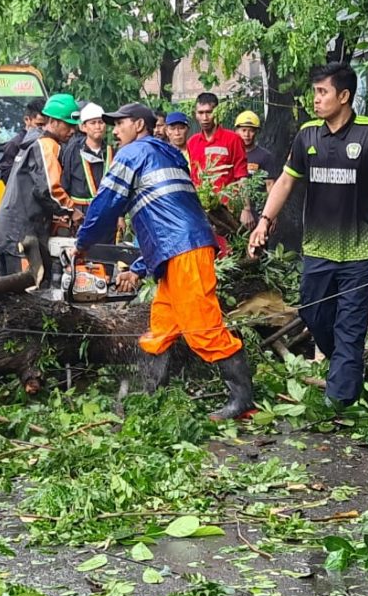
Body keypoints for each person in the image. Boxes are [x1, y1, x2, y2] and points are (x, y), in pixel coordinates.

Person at [75, 103, 256, 421]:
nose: (115, 131)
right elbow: (165, 218)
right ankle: (151, 395)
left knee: (203, 329)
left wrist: (82, 244)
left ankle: (242, 401)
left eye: (120, 125)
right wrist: (141, 266)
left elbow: (105, 204)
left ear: (139, 125)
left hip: (183, 251)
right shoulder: (171, 154)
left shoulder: (132, 154)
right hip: (179, 249)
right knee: (162, 327)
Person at [248, 62, 368, 409]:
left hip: (359, 251)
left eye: (322, 92)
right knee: (314, 314)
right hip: (318, 249)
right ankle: (346, 367)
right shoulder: (307, 134)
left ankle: (339, 403)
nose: (316, 99)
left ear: (344, 95)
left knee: (350, 326)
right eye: (315, 92)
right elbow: (286, 181)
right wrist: (264, 221)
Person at [0, 93, 79, 278]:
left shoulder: (31, 142)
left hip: (6, 232)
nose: (72, 131)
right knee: (28, 294)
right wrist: (71, 210)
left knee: (3, 295)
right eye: (68, 125)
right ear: (53, 121)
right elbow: (49, 189)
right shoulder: (47, 145)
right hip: (20, 235)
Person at [60, 102, 114, 227]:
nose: (98, 127)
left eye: (101, 122)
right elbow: (64, 183)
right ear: (83, 127)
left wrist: (120, 215)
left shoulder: (112, 152)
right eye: (93, 123)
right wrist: (68, 211)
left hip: (106, 214)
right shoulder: (73, 151)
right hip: (80, 214)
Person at [187, 92, 248, 192]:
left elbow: (241, 176)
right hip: (200, 204)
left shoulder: (233, 139)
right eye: (201, 113)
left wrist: (246, 206)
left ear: (217, 112)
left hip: (227, 204)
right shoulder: (192, 142)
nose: (205, 118)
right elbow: (194, 177)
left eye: (209, 112)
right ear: (196, 114)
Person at [233, 110, 277, 229]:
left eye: (251, 130)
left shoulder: (264, 156)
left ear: (256, 132)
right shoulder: (231, 155)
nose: (247, 134)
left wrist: (272, 214)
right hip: (234, 211)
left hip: (258, 212)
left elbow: (270, 185)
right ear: (236, 131)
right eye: (244, 130)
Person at [0, 98, 46, 183]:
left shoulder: (49, 141)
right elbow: (7, 176)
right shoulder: (15, 144)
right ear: (27, 120)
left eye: (45, 125)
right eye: (39, 124)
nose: (43, 129)